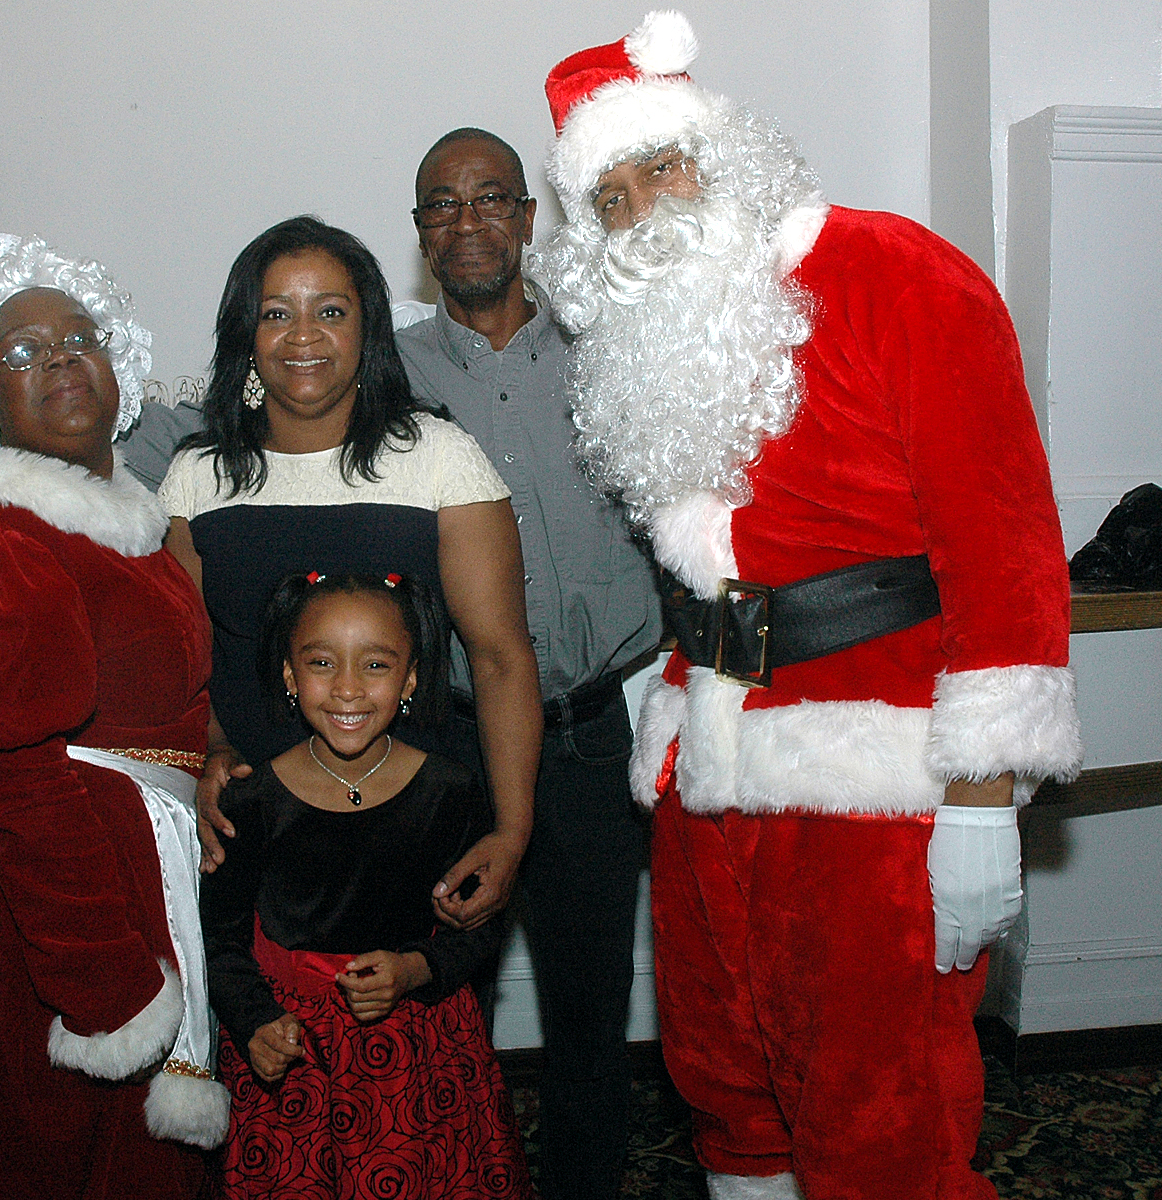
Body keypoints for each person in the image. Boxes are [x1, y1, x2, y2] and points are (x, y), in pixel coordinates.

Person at [531, 13, 1083, 1200]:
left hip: (875, 786)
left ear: (723, 158)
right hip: (706, 782)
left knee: (881, 1121)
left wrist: (986, 802)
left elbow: (1006, 544)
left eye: (661, 167)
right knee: (727, 1090)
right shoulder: (645, 341)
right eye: (610, 197)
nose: (643, 209)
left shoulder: (892, 270)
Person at [0, 233, 228, 1200]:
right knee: (38, 1149)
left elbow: (155, 698)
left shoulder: (113, 518)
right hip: (21, 901)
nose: (61, 357)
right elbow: (16, 782)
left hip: (102, 867)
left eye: (80, 337)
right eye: (22, 353)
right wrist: (107, 983)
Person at [395, 128, 663, 1200]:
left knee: (588, 1021)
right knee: (438, 1009)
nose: (467, 222)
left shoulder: (621, 352)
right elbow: (236, 415)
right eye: (441, 205)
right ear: (421, 234)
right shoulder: (384, 371)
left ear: (526, 217)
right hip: (452, 746)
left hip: (594, 740)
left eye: (490, 198)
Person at [158, 217, 542, 940]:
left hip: (420, 830)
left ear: (368, 333)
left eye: (331, 311)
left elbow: (500, 658)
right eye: (277, 314)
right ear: (247, 336)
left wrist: (512, 830)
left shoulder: (439, 459)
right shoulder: (197, 479)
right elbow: (188, 661)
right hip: (257, 833)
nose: (304, 336)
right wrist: (212, 752)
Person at [200, 570, 533, 1199]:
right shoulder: (250, 800)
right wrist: (253, 1022)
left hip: (420, 1055)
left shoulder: (451, 790)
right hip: (296, 1057)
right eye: (322, 663)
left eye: (375, 665)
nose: (347, 689)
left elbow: (480, 928)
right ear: (291, 677)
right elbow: (218, 940)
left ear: (409, 678)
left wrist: (413, 969)